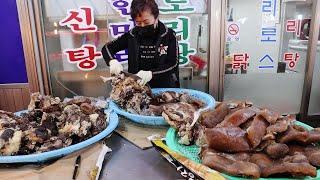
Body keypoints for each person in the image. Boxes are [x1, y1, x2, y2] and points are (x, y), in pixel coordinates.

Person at [101, 0, 180, 88]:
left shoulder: (168, 35)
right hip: (137, 87)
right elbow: (107, 47)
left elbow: (173, 64)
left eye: (146, 22)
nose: (142, 26)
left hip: (164, 87)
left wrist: (151, 74)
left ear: (156, 17)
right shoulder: (132, 35)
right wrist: (112, 61)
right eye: (138, 23)